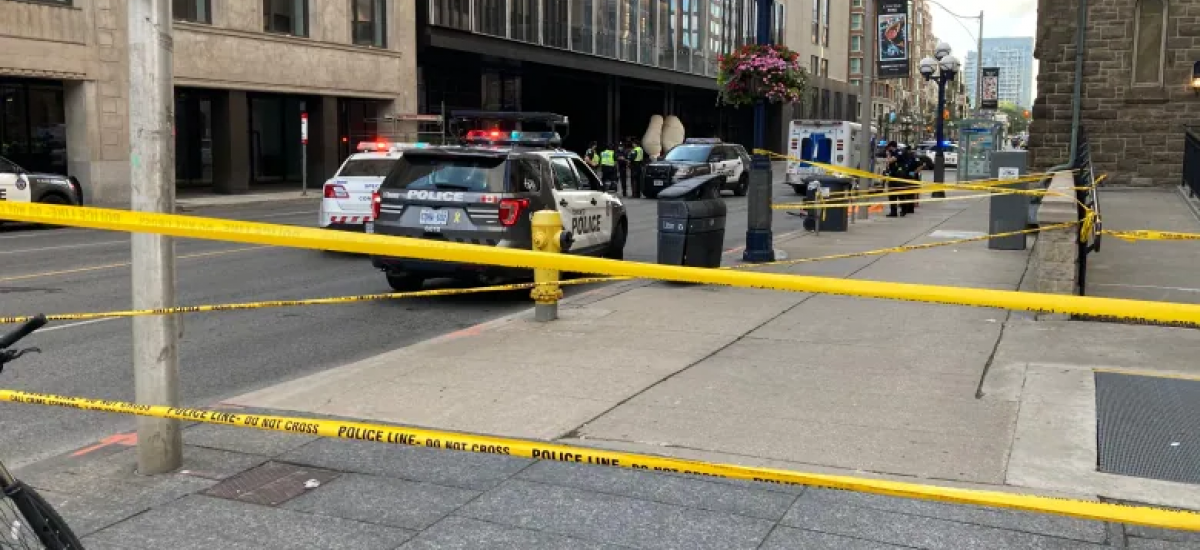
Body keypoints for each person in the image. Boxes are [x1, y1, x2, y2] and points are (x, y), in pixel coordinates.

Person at [885, 143, 921, 217]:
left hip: (899, 176)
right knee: (892, 195)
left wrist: (888, 156)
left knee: (900, 194)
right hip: (893, 176)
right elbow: (889, 165)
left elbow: (890, 161)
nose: (888, 150)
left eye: (888, 148)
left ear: (891, 147)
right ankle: (894, 212)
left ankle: (904, 209)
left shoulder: (898, 153)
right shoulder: (896, 153)